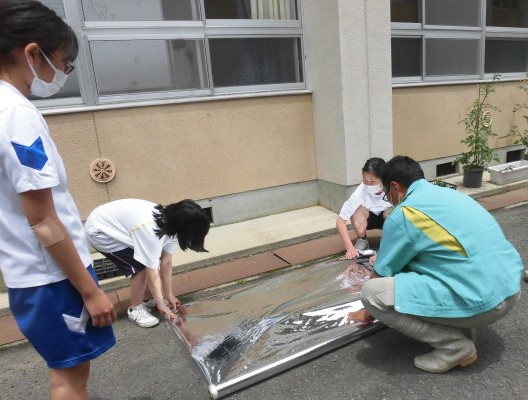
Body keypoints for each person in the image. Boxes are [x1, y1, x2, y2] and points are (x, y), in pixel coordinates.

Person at [0, 1, 117, 399]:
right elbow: (44, 222)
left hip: (28, 273)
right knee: (69, 379)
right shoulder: (16, 115)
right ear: (32, 53)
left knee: (67, 374)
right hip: (51, 277)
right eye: (64, 63)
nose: (62, 74)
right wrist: (90, 290)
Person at [348, 155, 523, 373]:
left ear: (395, 187)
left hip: (485, 303)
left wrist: (367, 312)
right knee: (429, 265)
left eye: (385, 192)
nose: (387, 198)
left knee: (371, 293)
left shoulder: (404, 214)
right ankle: (463, 328)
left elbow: (382, 274)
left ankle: (455, 347)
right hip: (511, 287)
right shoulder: (448, 194)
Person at [84, 198, 210, 328]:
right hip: (100, 231)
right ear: (185, 229)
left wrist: (169, 295)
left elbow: (166, 262)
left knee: (148, 261)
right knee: (141, 267)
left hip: (117, 223)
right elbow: (152, 271)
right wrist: (161, 304)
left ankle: (149, 298)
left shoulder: (172, 223)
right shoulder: (150, 232)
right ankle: (135, 309)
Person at [336, 157, 392, 259]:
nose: (368, 184)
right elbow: (340, 221)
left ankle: (390, 242)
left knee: (393, 212)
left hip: (387, 220)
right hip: (368, 219)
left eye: (372, 181)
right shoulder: (360, 191)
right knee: (356, 210)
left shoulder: (392, 188)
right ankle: (362, 240)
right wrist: (349, 248)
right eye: (365, 180)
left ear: (383, 179)